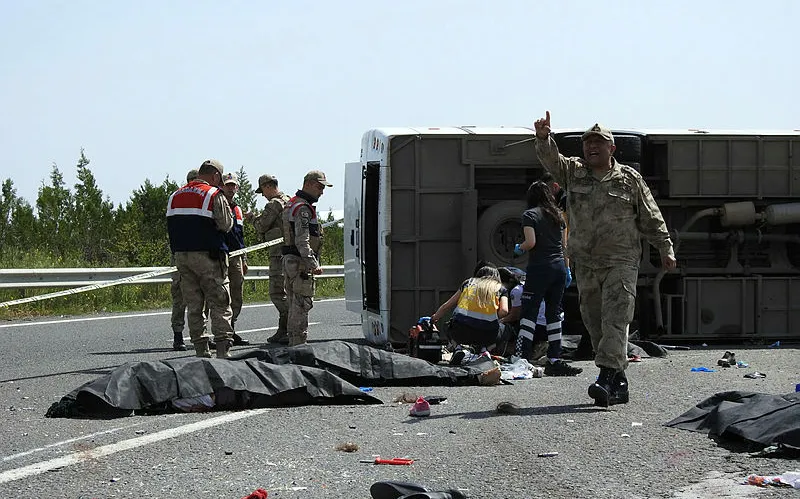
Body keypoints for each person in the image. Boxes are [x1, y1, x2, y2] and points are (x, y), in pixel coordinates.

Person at [533, 111, 677, 406]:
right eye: (587, 143)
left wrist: (665, 247)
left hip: (620, 261)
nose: (591, 147)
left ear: (612, 148)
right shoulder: (574, 172)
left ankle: (606, 378)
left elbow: (651, 215)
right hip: (586, 261)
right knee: (594, 320)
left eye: (598, 143)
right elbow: (552, 161)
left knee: (615, 318)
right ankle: (619, 383)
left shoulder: (629, 179)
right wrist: (544, 138)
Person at [166, 159, 235, 359]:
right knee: (220, 303)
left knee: (194, 305)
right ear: (215, 176)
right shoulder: (214, 194)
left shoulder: (175, 195)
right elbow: (225, 224)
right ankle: (223, 351)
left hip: (182, 258)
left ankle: (200, 351)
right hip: (209, 257)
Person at [513, 181, 582, 377]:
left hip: (539, 269)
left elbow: (531, 242)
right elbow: (564, 246)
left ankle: (522, 357)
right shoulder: (558, 216)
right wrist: (567, 270)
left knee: (529, 312)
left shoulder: (530, 215)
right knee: (554, 314)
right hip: (559, 268)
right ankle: (555, 358)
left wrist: (519, 248)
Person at [281, 170, 331, 346]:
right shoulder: (302, 208)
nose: (321, 192)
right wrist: (313, 263)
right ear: (308, 184)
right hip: (299, 262)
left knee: (294, 304)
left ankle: (293, 345)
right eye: (319, 187)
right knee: (301, 305)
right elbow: (303, 239)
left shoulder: (291, 204)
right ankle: (298, 347)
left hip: (290, 260)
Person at [430, 265, 509, 362]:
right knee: (505, 329)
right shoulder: (501, 289)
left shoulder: (468, 283)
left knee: (448, 326)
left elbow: (447, 305)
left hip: (461, 332)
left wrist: (434, 318)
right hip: (488, 334)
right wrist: (493, 318)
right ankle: (485, 351)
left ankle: (458, 348)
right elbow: (504, 311)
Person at [248, 174, 291, 344]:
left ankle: (288, 327)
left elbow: (262, 225)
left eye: (263, 191)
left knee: (277, 293)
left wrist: (252, 218)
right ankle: (285, 329)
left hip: (278, 254)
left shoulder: (274, 204)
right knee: (287, 292)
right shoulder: (289, 200)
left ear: (267, 186)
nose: (263, 195)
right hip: (290, 253)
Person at [169, 168, 199, 351]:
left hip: (199, 254)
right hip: (181, 254)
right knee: (179, 297)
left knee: (201, 298)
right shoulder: (177, 198)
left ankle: (200, 335)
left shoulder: (204, 200)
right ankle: (178, 335)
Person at [220, 172, 250, 347]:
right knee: (221, 296)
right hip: (222, 256)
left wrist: (244, 258)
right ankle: (219, 333)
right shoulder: (217, 204)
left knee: (237, 294)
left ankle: (231, 330)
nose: (231, 188)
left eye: (233, 185)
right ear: (221, 186)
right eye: (227, 185)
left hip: (237, 256)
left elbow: (241, 236)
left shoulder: (237, 209)